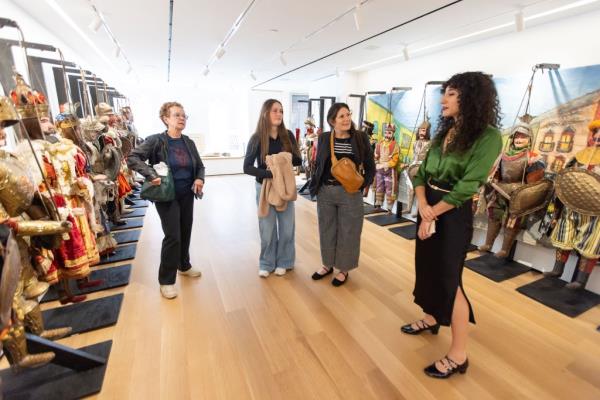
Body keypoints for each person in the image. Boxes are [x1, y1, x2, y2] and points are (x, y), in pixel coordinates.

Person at [400, 72, 503, 378]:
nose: (443, 99)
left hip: (452, 214)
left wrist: (432, 213)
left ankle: (459, 355)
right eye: (444, 93)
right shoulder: (444, 133)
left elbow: (468, 186)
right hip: (428, 205)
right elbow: (420, 173)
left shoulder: (488, 137)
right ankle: (432, 317)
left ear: (470, 98)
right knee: (427, 267)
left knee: (450, 280)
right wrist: (422, 205)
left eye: (452, 94)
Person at [127, 102, 204, 299]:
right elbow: (133, 158)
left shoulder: (188, 142)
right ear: (165, 119)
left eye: (184, 115)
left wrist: (199, 178)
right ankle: (166, 281)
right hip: (166, 195)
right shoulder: (156, 141)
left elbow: (200, 166)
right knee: (173, 236)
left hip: (187, 194)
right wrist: (151, 173)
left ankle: (183, 265)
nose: (182, 118)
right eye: (177, 115)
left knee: (185, 230)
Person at [309, 103, 375, 286]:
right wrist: (316, 185)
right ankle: (327, 264)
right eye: (341, 116)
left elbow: (370, 165)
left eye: (348, 115)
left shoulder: (360, 138)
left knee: (349, 231)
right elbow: (319, 165)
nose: (346, 119)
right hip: (326, 191)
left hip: (350, 192)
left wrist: (363, 185)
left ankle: (343, 269)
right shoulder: (323, 138)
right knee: (326, 228)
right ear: (332, 121)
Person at [244, 99, 301, 277]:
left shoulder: (288, 136)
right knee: (267, 228)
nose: (279, 114)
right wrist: (271, 174)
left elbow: (298, 160)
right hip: (265, 188)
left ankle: (285, 261)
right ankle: (266, 263)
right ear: (265, 114)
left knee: (286, 227)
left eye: (281, 111)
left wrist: (282, 160)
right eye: (275, 111)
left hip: (285, 187)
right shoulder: (256, 138)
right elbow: (247, 167)